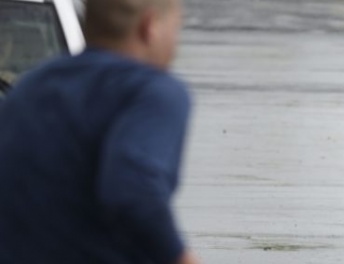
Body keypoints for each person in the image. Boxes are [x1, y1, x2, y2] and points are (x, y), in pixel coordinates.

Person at [0, 0, 200, 263]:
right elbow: (134, 189)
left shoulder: (30, 87)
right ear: (150, 26)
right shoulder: (151, 92)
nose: (176, 43)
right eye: (176, 27)